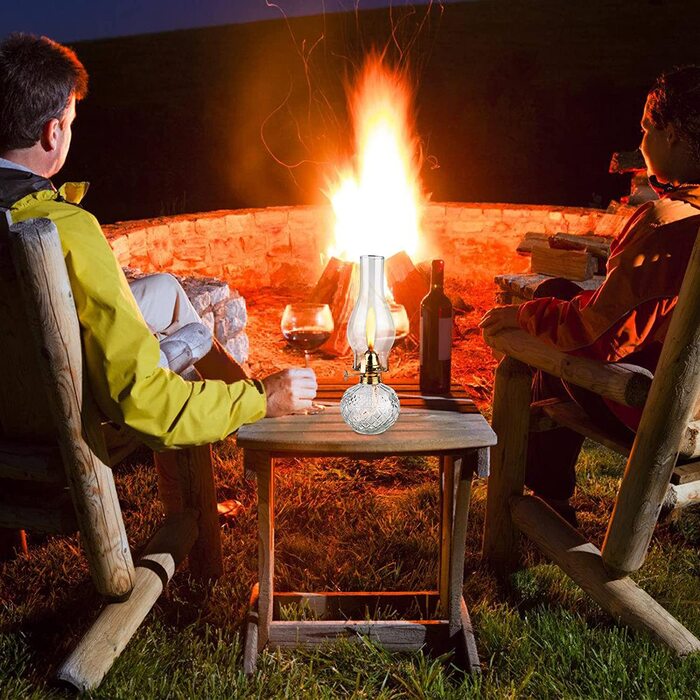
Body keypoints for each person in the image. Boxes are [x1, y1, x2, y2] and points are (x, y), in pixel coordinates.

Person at [0, 34, 317, 516]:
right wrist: (259, 400)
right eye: (71, 120)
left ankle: (237, 397)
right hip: (58, 414)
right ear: (52, 133)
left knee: (166, 291)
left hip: (13, 382)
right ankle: (239, 428)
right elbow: (143, 402)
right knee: (189, 335)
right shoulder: (65, 229)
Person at [480, 66, 700, 525]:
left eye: (646, 129)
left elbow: (592, 336)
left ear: (675, 135)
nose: (640, 142)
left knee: (553, 313)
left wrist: (525, 316)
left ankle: (547, 495)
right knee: (560, 297)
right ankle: (549, 484)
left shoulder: (667, 225)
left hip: (667, 412)